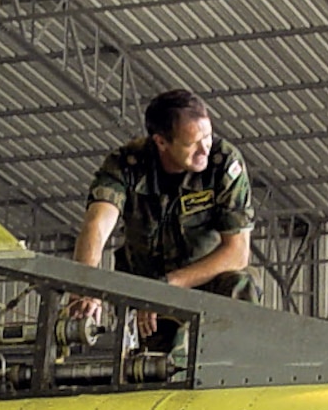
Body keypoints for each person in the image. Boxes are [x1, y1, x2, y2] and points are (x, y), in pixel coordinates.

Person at [73, 88, 255, 335]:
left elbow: (237, 253)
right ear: (161, 142)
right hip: (145, 298)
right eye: (192, 144)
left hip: (205, 286)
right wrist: (86, 285)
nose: (204, 150)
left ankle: (232, 360)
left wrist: (168, 286)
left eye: (208, 137)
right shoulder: (127, 165)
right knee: (149, 368)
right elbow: (97, 223)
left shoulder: (223, 164)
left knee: (240, 284)